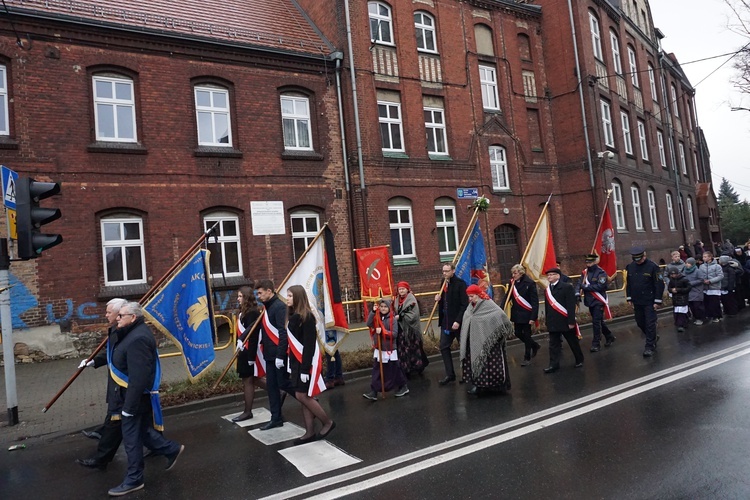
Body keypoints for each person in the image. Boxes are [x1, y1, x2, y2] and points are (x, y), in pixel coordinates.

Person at [108, 302, 183, 497]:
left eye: (121, 315)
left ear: (133, 317)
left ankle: (134, 479)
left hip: (134, 398)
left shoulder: (137, 339)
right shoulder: (132, 333)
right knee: (142, 430)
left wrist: (128, 408)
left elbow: (139, 377)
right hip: (132, 396)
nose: (117, 318)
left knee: (131, 439)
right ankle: (171, 449)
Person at [76, 298, 128, 470]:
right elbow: (110, 352)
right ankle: (165, 448)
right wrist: (94, 361)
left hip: (123, 385)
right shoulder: (115, 329)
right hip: (117, 383)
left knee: (116, 423)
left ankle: (101, 458)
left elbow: (119, 355)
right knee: (132, 424)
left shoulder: (124, 331)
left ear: (120, 313)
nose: (105, 315)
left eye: (108, 312)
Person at [285, 285, 335, 444]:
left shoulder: (306, 317)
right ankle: (309, 432)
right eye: (287, 296)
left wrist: (305, 370)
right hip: (295, 363)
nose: (287, 299)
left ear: (298, 297)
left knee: (302, 395)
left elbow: (308, 345)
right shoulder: (294, 316)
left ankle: (327, 422)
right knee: (304, 396)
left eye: (290, 296)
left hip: (303, 363)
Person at [460, 284, 512, 395]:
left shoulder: (488, 304)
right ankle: (479, 386)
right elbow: (468, 319)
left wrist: (495, 332)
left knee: (491, 365)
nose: (470, 299)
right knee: (477, 362)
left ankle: (496, 387)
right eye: (468, 297)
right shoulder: (470, 307)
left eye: (472, 296)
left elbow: (500, 315)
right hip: (475, 341)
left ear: (478, 295)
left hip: (490, 343)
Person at [255, 279, 292, 430]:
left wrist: (280, 355)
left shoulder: (279, 307)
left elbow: (283, 333)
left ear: (269, 291)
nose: (258, 296)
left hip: (278, 355)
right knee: (271, 387)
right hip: (269, 355)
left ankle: (309, 401)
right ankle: (276, 418)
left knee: (283, 384)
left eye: (260, 293)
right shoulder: (267, 307)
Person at [232, 285, 267, 422]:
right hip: (243, 351)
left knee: (249, 380)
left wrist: (251, 357)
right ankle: (278, 391)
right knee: (253, 379)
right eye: (238, 296)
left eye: (240, 296)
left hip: (249, 352)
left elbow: (253, 336)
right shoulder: (243, 312)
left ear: (246, 298)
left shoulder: (252, 313)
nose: (238, 299)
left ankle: (247, 411)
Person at [364, 298, 408, 400]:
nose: (383, 309)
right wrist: (373, 312)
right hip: (379, 348)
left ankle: (403, 386)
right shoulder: (376, 317)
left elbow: (395, 334)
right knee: (377, 370)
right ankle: (374, 391)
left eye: (385, 307)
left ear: (389, 308)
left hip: (389, 349)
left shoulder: (392, 319)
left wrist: (383, 332)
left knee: (394, 370)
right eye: (381, 307)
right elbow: (368, 323)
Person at [625, 246, 665, 357]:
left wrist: (657, 301)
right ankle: (652, 337)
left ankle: (649, 346)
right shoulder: (631, 267)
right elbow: (629, 283)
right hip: (637, 300)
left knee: (650, 323)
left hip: (649, 300)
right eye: (635, 259)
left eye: (640, 259)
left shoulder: (653, 267)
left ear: (644, 255)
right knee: (640, 322)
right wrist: (629, 297)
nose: (638, 261)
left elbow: (659, 284)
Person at [542, 268, 584, 373]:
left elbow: (570, 305)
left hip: (565, 320)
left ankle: (579, 359)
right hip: (553, 321)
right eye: (548, 275)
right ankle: (553, 364)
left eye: (552, 274)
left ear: (558, 276)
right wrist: (547, 321)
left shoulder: (566, 287)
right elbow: (547, 307)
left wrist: (571, 321)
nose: (549, 277)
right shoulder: (547, 290)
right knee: (553, 345)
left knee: (572, 342)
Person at [434, 263, 468, 385]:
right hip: (446, 323)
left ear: (453, 271)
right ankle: (450, 374)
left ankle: (467, 374)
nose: (444, 273)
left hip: (457, 323)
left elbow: (464, 305)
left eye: (447, 271)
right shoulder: (443, 283)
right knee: (444, 347)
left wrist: (458, 321)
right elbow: (445, 302)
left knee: (464, 349)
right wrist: (439, 300)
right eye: (443, 271)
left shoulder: (460, 284)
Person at [575, 254, 616, 352]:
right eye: (587, 262)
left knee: (596, 322)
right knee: (599, 321)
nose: (588, 264)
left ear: (595, 262)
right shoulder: (585, 273)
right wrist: (577, 292)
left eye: (590, 262)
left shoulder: (601, 273)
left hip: (598, 300)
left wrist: (585, 287)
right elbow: (579, 283)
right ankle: (609, 336)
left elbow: (600, 286)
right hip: (589, 300)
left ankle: (596, 343)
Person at [508, 264, 541, 366]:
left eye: (515, 273)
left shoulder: (529, 283)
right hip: (517, 313)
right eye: (512, 273)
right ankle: (534, 345)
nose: (513, 275)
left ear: (521, 273)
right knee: (518, 333)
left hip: (527, 313)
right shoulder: (512, 283)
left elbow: (535, 301)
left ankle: (527, 357)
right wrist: (501, 307)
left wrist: (533, 317)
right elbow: (508, 296)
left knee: (527, 335)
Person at [394, 281, 428, 377]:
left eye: (403, 289)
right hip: (401, 328)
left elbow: (413, 315)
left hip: (411, 329)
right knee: (402, 349)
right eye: (399, 289)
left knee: (413, 348)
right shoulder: (397, 299)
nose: (401, 291)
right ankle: (405, 368)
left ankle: (418, 367)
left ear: (407, 289)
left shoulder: (411, 299)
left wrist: (400, 317)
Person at [700, 251, 724, 323]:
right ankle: (709, 315)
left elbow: (720, 276)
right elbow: (700, 275)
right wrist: (702, 280)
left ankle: (717, 316)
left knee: (715, 303)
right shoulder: (702, 266)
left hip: (714, 287)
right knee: (707, 302)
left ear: (710, 257)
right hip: (705, 288)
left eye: (705, 257)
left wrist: (711, 281)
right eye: (703, 257)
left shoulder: (717, 266)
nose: (703, 258)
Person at [666, 266, 691, 332]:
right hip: (675, 299)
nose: (672, 275)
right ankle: (680, 323)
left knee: (682, 312)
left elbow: (688, 288)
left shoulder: (684, 279)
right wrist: (671, 290)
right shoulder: (672, 280)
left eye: (674, 274)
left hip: (683, 298)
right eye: (671, 274)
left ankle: (682, 324)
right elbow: (669, 288)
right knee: (677, 312)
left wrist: (678, 290)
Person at [683, 257, 706, 325]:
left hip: (697, 291)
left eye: (689, 263)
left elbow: (701, 279)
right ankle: (696, 318)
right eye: (686, 263)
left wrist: (691, 283)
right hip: (688, 292)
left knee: (698, 306)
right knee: (692, 306)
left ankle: (700, 318)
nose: (687, 265)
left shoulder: (697, 271)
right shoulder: (684, 271)